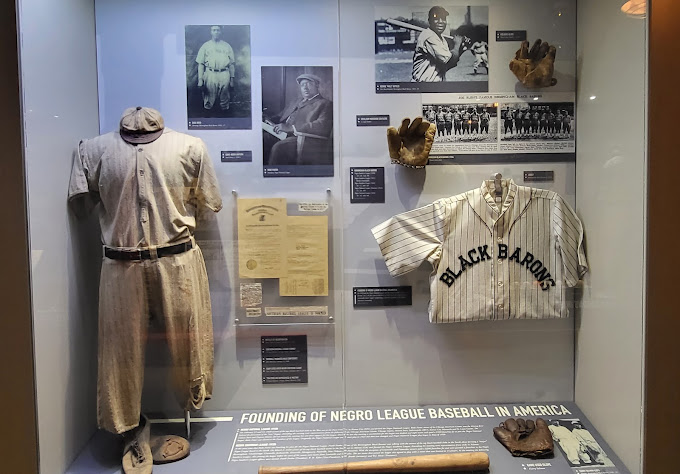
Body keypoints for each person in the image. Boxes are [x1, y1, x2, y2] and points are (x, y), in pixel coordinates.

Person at [267, 73, 333, 166]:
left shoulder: (325, 104)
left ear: (317, 85)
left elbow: (321, 125)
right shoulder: (295, 101)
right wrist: (266, 119)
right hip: (280, 133)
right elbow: (280, 116)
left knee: (279, 147)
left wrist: (292, 128)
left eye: (308, 84)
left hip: (301, 138)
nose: (305, 88)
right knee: (263, 139)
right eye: (302, 85)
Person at [412, 6, 465, 82]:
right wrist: (457, 45)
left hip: (433, 85)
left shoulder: (440, 38)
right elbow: (449, 60)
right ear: (429, 21)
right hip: (423, 85)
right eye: (436, 18)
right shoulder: (429, 36)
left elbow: (447, 65)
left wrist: (462, 48)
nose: (440, 21)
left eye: (443, 18)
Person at [196, 26, 235, 112]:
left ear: (220, 32)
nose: (216, 32)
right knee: (209, 98)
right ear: (211, 32)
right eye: (214, 30)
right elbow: (201, 64)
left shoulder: (227, 46)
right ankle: (208, 117)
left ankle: (224, 118)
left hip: (224, 73)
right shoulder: (205, 46)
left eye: (218, 30)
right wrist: (200, 79)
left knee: (224, 98)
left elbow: (231, 64)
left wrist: (232, 80)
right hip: (210, 73)